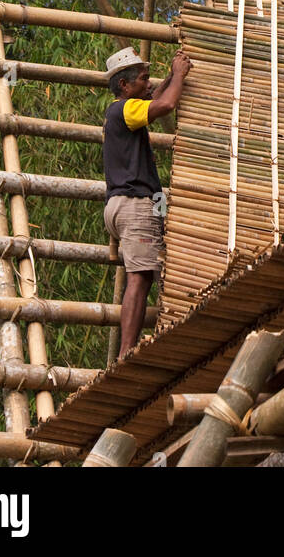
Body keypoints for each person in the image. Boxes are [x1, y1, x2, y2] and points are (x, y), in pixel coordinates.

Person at [102, 45, 191, 357]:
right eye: (143, 79)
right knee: (139, 278)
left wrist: (171, 75)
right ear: (125, 86)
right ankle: (127, 352)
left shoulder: (126, 113)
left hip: (127, 204)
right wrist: (178, 76)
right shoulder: (123, 109)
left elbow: (155, 99)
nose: (148, 83)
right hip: (134, 204)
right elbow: (165, 105)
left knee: (144, 270)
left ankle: (128, 347)